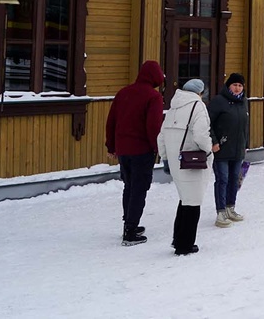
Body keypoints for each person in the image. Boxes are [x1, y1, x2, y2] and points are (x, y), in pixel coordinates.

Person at [105, 59, 165, 246]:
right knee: (140, 189)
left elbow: (111, 121)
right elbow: (153, 127)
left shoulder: (123, 93)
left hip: (124, 150)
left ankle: (128, 223)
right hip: (142, 150)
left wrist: (111, 146)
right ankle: (131, 231)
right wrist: (157, 148)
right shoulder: (153, 97)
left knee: (129, 186)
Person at [157, 78, 213, 256]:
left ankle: (178, 239)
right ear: (200, 92)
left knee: (184, 199)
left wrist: (165, 159)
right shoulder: (198, 107)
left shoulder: (174, 107)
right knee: (193, 202)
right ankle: (185, 245)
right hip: (192, 162)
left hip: (176, 162)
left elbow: (161, 136)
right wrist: (209, 150)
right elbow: (201, 135)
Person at [208, 72, 249, 227]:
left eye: (240, 85)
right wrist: (213, 141)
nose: (237, 88)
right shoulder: (219, 101)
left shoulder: (243, 101)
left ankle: (230, 208)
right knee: (222, 179)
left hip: (238, 149)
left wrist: (246, 144)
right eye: (234, 85)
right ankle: (220, 212)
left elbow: (245, 125)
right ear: (228, 86)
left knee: (234, 179)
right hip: (222, 149)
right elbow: (207, 123)